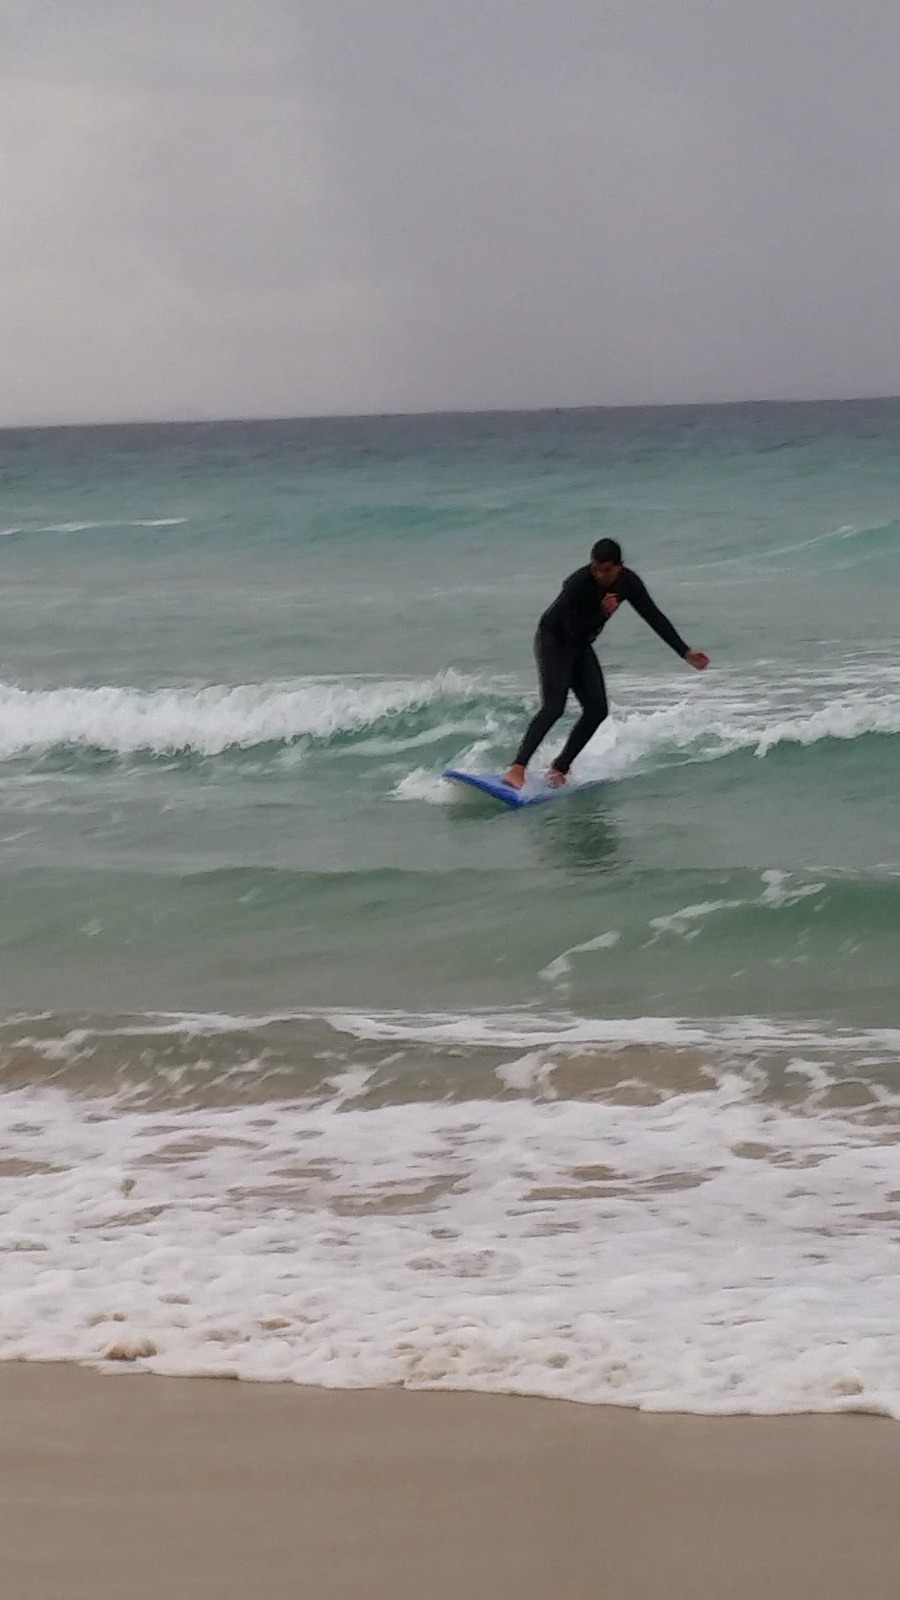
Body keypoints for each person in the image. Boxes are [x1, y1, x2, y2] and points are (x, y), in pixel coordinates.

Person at [502, 538, 709, 789]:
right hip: (554, 640)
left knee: (597, 709)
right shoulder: (577, 584)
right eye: (596, 568)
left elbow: (653, 616)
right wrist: (602, 613)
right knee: (554, 706)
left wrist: (684, 651)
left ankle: (559, 768)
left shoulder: (628, 583)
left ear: (619, 566)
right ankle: (517, 767)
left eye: (607, 570)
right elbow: (571, 630)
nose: (600, 575)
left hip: (579, 644)